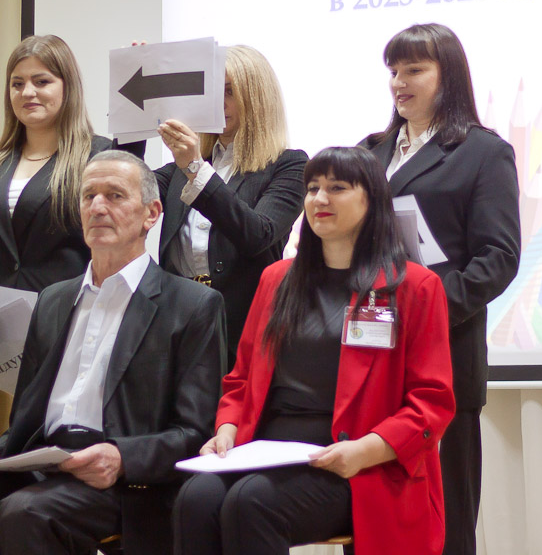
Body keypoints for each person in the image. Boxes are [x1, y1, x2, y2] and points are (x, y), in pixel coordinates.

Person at [0, 150, 226, 555]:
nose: (98, 207)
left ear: (151, 213)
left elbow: (195, 431)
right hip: (44, 461)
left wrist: (122, 457)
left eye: (115, 195)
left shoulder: (192, 305)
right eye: (88, 196)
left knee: (26, 512)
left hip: (124, 479)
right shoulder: (53, 300)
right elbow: (27, 420)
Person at [174, 146, 455, 555]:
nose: (320, 199)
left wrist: (364, 451)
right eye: (312, 189)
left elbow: (431, 403)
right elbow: (241, 378)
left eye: (337, 188)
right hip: (264, 452)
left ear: (372, 200)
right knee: (194, 499)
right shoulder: (276, 279)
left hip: (358, 462)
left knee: (251, 501)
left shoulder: (413, 286)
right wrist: (227, 429)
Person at [359, 23, 521, 555]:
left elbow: (498, 258)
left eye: (414, 70)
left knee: (443, 523)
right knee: (368, 521)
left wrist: (428, 313)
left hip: (442, 353)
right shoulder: (369, 152)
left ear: (447, 75)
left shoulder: (482, 152)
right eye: (393, 71)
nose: (398, 82)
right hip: (368, 351)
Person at [155, 44, 306, 366]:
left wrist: (195, 168)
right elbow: (125, 191)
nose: (217, 103)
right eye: (210, 92)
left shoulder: (289, 165)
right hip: (175, 318)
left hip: (243, 324)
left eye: (229, 92)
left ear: (257, 98)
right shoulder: (181, 168)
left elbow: (258, 234)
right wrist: (134, 125)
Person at [0, 34, 138, 292]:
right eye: (17, 84)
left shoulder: (98, 156)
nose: (28, 92)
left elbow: (122, 231)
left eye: (42, 82)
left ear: (68, 87)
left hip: (63, 308)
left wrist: (137, 68)